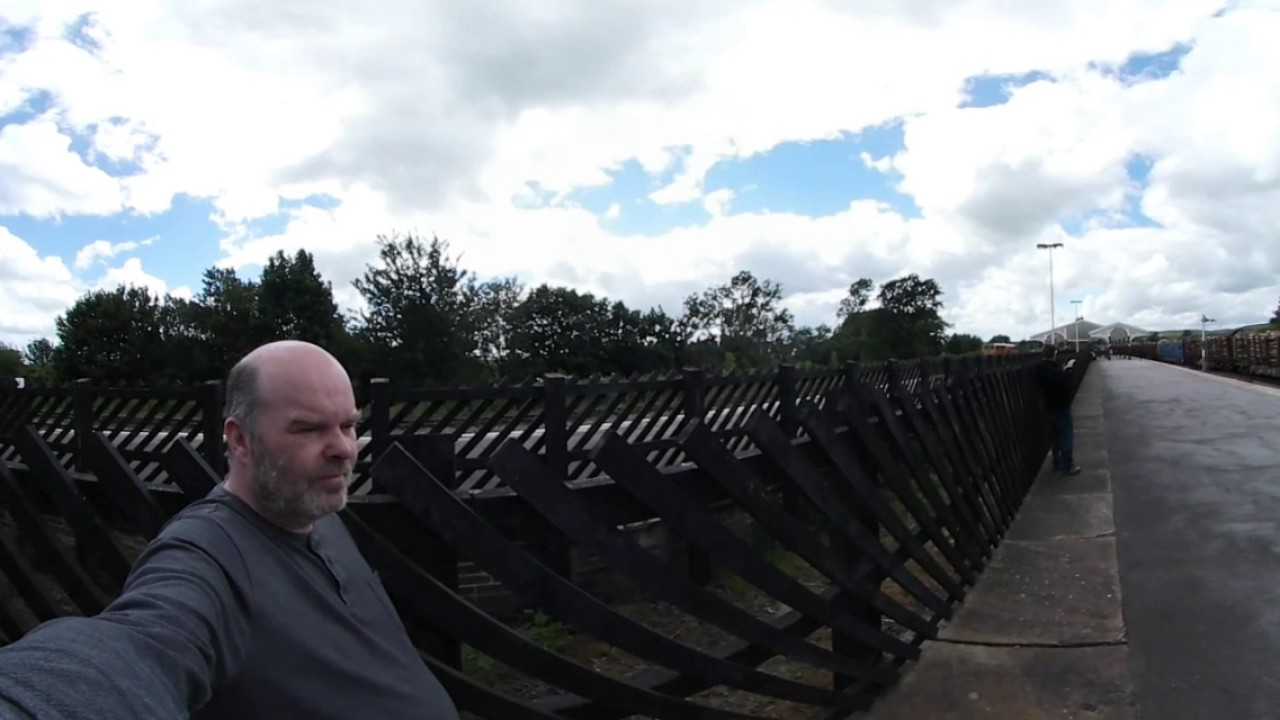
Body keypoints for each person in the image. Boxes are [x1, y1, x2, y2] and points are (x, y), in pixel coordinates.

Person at [0, 341, 460, 719]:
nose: (343, 448)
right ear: (239, 439)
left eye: (347, 425)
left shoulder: (320, 516)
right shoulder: (207, 554)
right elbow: (143, 644)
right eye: (307, 429)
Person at [1034, 343, 1082, 476]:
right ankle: (1068, 466)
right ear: (1054, 353)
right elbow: (1066, 384)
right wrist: (1069, 368)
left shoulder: (1039, 369)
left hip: (1048, 406)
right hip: (1061, 406)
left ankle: (1057, 462)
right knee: (1066, 436)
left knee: (1055, 438)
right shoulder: (1055, 371)